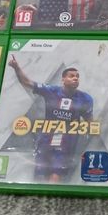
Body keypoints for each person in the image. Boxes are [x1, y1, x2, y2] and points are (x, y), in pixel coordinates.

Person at [8, 54, 93, 182]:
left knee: (56, 174)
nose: (75, 78)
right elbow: (27, 82)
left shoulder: (85, 99)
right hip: (46, 141)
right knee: (40, 176)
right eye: (71, 76)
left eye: (77, 76)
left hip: (66, 144)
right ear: (63, 79)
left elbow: (90, 123)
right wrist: (16, 67)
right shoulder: (51, 90)